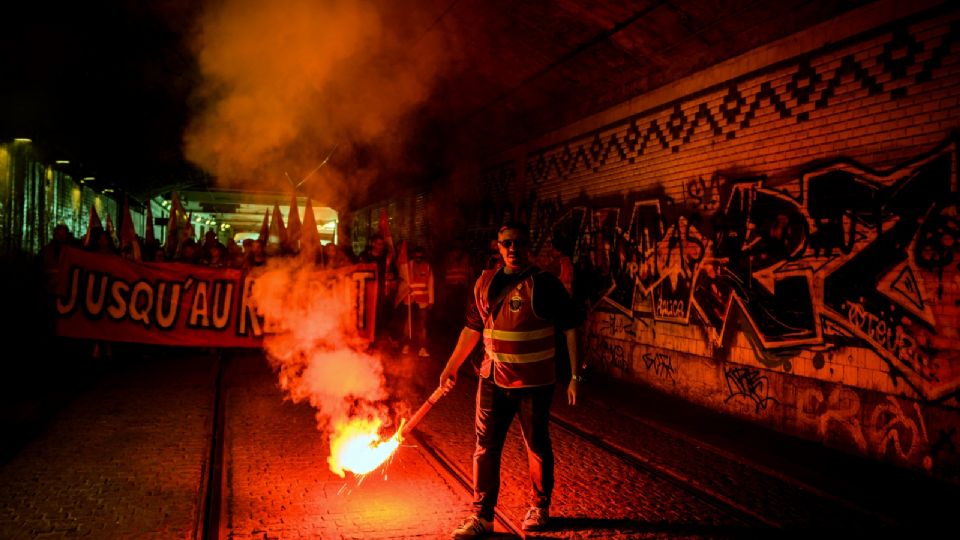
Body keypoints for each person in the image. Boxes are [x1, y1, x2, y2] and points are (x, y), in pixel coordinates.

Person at [439, 221, 581, 539]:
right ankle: (482, 516)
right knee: (485, 448)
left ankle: (540, 507)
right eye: (507, 244)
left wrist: (575, 376)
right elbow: (472, 329)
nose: (513, 248)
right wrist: (451, 365)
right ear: (498, 247)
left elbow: (572, 326)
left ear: (527, 245)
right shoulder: (486, 283)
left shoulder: (544, 285)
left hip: (534, 383)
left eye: (519, 242)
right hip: (492, 379)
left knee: (537, 446)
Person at [398, 245, 434, 357]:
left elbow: (430, 284)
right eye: (416, 256)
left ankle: (422, 348)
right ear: (414, 256)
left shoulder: (427, 266)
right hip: (409, 300)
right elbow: (402, 281)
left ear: (423, 256)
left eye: (421, 257)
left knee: (422, 326)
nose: (418, 259)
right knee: (407, 325)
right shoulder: (407, 266)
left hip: (423, 301)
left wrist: (431, 301)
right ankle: (406, 345)